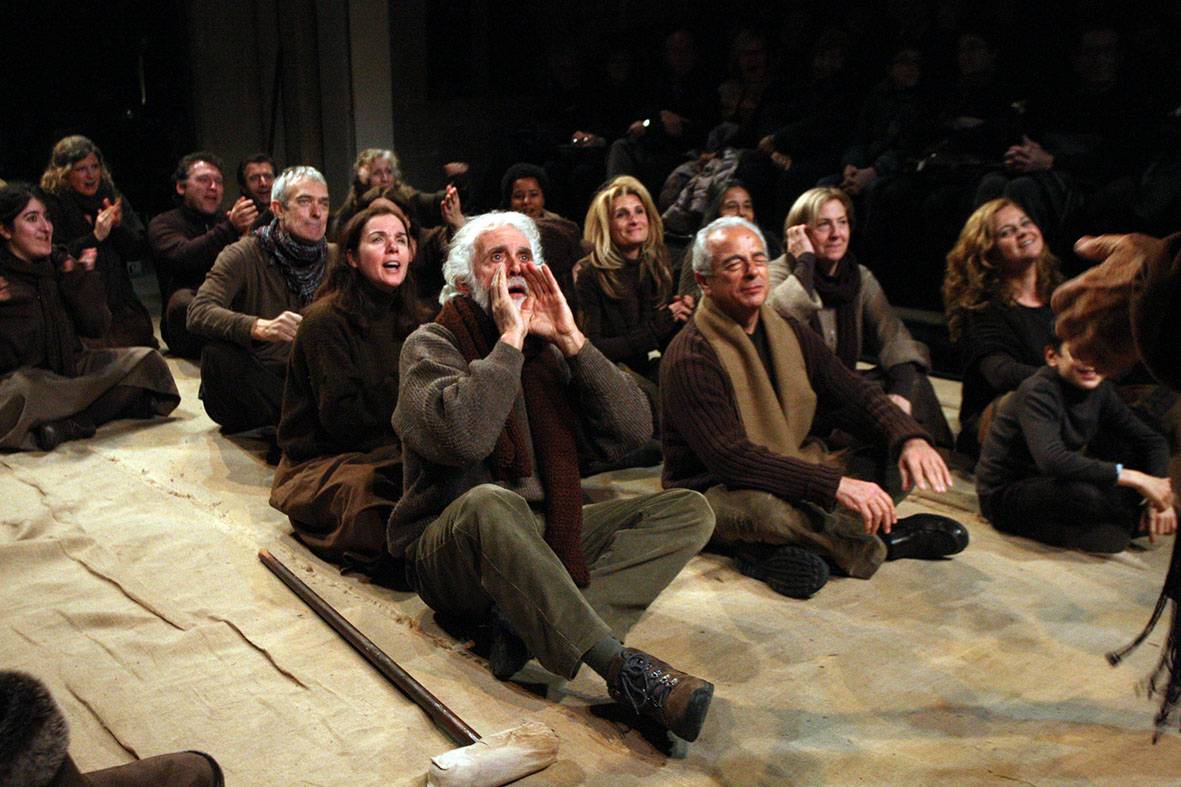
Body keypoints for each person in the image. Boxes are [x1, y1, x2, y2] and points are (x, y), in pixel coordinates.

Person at [390, 211, 717, 742]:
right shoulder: (431, 343)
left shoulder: (549, 349)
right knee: (491, 501)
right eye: (497, 257)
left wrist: (571, 339)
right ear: (465, 282)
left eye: (525, 256)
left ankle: (526, 628)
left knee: (687, 509)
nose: (514, 267)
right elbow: (464, 438)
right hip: (452, 550)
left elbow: (635, 430)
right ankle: (620, 668)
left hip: (542, 537)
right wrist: (508, 344)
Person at [661, 216, 968, 599]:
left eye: (758, 259)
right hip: (718, 491)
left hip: (793, 461)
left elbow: (852, 391)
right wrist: (834, 485)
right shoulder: (690, 356)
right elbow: (732, 459)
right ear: (704, 281)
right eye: (734, 264)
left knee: (894, 457)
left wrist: (909, 438)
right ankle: (884, 541)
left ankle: (774, 549)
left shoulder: (786, 328)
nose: (752, 272)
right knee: (767, 513)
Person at [1054, 231, 1181, 737]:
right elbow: (1053, 459)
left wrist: (1156, 280)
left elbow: (1147, 438)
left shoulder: (1104, 395)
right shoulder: (1041, 392)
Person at [271, 203, 428, 562]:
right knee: (376, 507)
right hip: (325, 460)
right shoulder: (325, 321)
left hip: (390, 449)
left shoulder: (416, 318)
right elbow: (344, 422)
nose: (393, 247)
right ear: (353, 258)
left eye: (401, 239)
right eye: (378, 239)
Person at [769, 187, 954, 450]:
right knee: (864, 419)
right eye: (824, 225)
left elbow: (894, 338)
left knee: (914, 384)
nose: (836, 234)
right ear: (800, 232)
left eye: (842, 222)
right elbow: (778, 320)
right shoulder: (778, 273)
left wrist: (900, 394)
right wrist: (805, 262)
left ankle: (935, 460)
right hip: (801, 397)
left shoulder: (857, 277)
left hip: (844, 387)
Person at [0, 184, 179, 451]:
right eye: (31, 219)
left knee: (147, 362)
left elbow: (97, 327)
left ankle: (71, 422)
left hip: (72, 369)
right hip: (28, 381)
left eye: (46, 217)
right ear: (5, 230)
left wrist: (77, 279)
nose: (45, 228)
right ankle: (93, 409)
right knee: (19, 394)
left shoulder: (61, 265)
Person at [976, 336, 1173, 552]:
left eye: (1100, 356)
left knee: (1115, 486)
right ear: (1052, 357)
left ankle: (1118, 524)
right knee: (1088, 495)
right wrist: (1136, 479)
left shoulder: (1101, 391)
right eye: (1080, 354)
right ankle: (1124, 523)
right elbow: (1052, 460)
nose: (1091, 363)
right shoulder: (1038, 390)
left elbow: (1152, 441)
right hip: (1006, 495)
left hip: (1054, 485)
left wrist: (1157, 498)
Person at [187, 166, 332, 434]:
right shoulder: (244, 254)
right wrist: (259, 327)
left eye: (323, 203)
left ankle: (306, 421)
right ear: (278, 209)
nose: (317, 212)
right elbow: (199, 311)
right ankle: (304, 423)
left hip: (315, 375)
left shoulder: (336, 258)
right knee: (218, 355)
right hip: (260, 379)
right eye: (304, 202)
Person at [943, 199, 1062, 457]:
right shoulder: (981, 309)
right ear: (988, 254)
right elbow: (999, 372)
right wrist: (1066, 376)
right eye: (1007, 232)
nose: (1022, 232)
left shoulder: (1061, 297)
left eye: (1025, 223)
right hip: (1000, 419)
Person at [39, 135, 157, 349]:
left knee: (140, 339)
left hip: (119, 299)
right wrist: (94, 238)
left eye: (95, 167)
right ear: (63, 174)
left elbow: (139, 249)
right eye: (81, 169)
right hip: (78, 305)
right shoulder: (52, 203)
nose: (91, 175)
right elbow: (51, 253)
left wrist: (118, 227)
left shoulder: (110, 196)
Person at [575, 176, 692, 387]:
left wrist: (680, 316)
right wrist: (657, 327)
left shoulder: (658, 263)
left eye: (639, 211)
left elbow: (660, 336)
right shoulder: (590, 275)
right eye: (622, 214)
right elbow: (593, 349)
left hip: (654, 368)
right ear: (606, 225)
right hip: (615, 376)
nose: (634, 220)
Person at [148, 152, 258, 358]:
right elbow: (184, 258)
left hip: (228, 305)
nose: (213, 187)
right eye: (203, 180)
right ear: (181, 187)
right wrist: (230, 230)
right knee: (183, 301)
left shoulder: (227, 221)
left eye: (218, 181)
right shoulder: (163, 224)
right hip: (186, 322)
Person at [332, 147, 468, 240]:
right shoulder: (354, 207)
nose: (385, 178)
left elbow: (438, 201)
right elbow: (340, 233)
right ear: (365, 179)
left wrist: (458, 182)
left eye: (388, 171)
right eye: (377, 173)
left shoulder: (407, 197)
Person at [499, 162, 585, 305]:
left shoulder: (563, 229)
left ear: (543, 197)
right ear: (509, 200)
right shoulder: (499, 228)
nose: (526, 201)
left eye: (533, 195)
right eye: (519, 196)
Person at [236, 152, 277, 227]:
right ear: (243, 187)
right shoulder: (235, 221)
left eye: (268, 176)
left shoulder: (290, 213)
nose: (263, 183)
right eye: (254, 178)